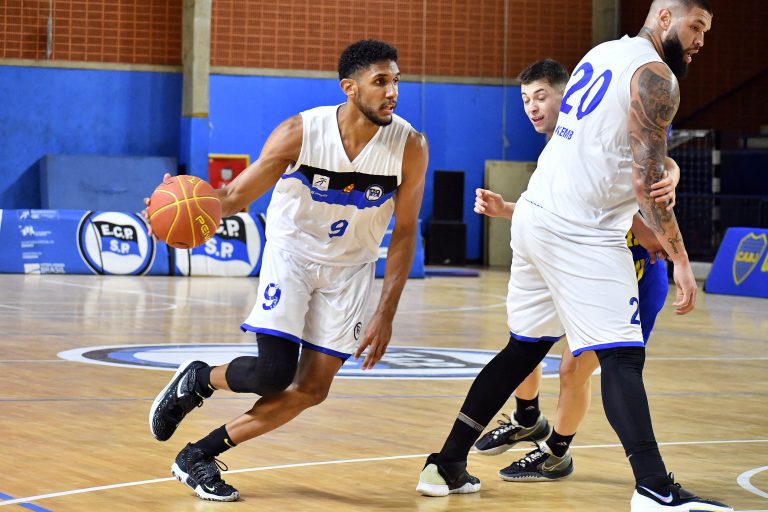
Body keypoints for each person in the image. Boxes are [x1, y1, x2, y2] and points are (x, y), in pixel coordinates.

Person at [417, 1, 732, 510]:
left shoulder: (602, 52)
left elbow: (610, 148)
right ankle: (654, 488)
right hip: (582, 230)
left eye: (706, 31)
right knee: (622, 356)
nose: (700, 41)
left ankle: (447, 462)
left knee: (523, 350)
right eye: (696, 27)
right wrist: (679, 257)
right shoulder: (657, 77)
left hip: (535, 216)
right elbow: (645, 180)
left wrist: (668, 168)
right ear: (665, 18)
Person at [147, 39, 428, 502]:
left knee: (313, 389)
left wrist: (386, 313)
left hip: (350, 270)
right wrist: (174, 205)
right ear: (350, 88)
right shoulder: (301, 131)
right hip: (292, 256)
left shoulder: (409, 146)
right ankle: (199, 379)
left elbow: (405, 230)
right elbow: (235, 196)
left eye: (396, 81)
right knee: (273, 374)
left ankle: (198, 455)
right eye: (380, 81)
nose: (392, 91)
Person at [471, 59, 680, 482]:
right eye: (525, 100)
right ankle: (527, 417)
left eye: (540, 97)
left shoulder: (606, 136)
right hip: (577, 268)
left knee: (573, 369)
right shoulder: (559, 148)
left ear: (571, 97)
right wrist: (509, 209)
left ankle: (557, 453)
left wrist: (671, 178)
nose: (532, 107)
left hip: (631, 274)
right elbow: (559, 215)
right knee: (526, 340)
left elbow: (645, 193)